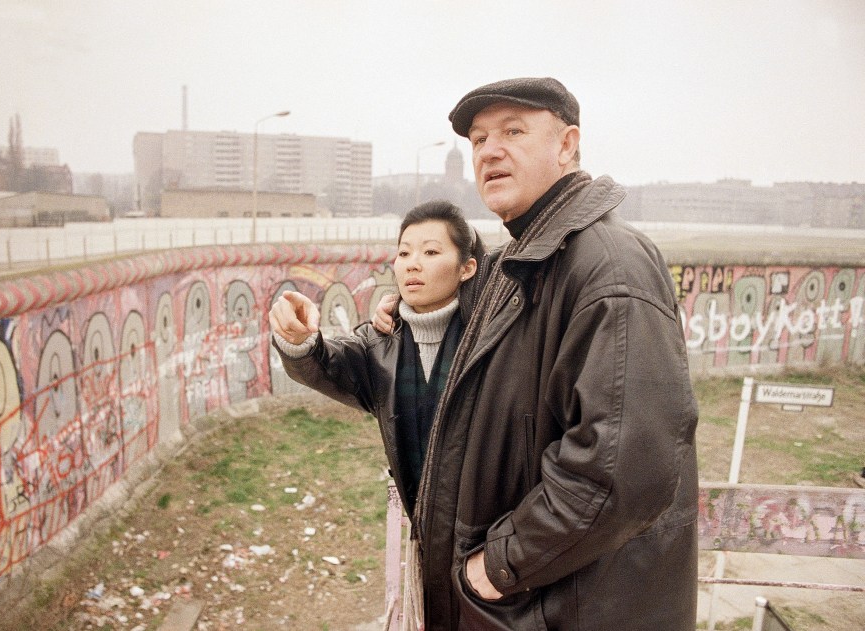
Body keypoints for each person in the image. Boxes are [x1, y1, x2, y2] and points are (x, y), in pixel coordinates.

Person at [374, 78, 699, 630]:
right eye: (478, 140)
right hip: (523, 606)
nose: (489, 151)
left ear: (567, 145)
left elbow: (620, 470)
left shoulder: (610, 268)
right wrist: (398, 304)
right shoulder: (519, 262)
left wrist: (496, 567)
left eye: (513, 131)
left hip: (565, 609)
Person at [269, 201, 485, 628]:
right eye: (404, 253)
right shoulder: (380, 344)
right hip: (426, 539)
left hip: (491, 541)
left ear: (467, 268)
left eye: (431, 252)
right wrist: (299, 339)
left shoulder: (492, 336)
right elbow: (326, 363)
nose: (412, 265)